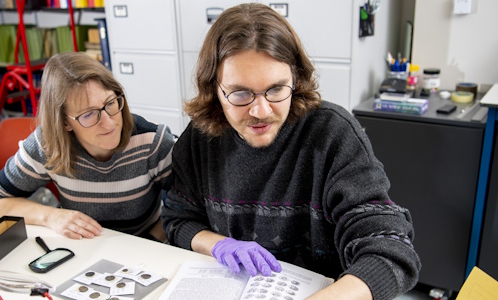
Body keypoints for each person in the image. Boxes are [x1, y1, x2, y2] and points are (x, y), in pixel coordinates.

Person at [160, 4, 420, 300]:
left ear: (295, 79)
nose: (260, 111)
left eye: (276, 89)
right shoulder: (201, 136)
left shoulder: (331, 134)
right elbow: (178, 220)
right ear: (214, 89)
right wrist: (218, 244)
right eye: (240, 93)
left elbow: (390, 248)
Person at [0, 52, 175, 242]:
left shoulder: (152, 142)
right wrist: (50, 217)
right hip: (81, 249)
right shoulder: (47, 145)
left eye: (110, 103)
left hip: (145, 249)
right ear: (65, 123)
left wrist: (151, 241)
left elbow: (185, 210)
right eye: (88, 114)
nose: (108, 123)